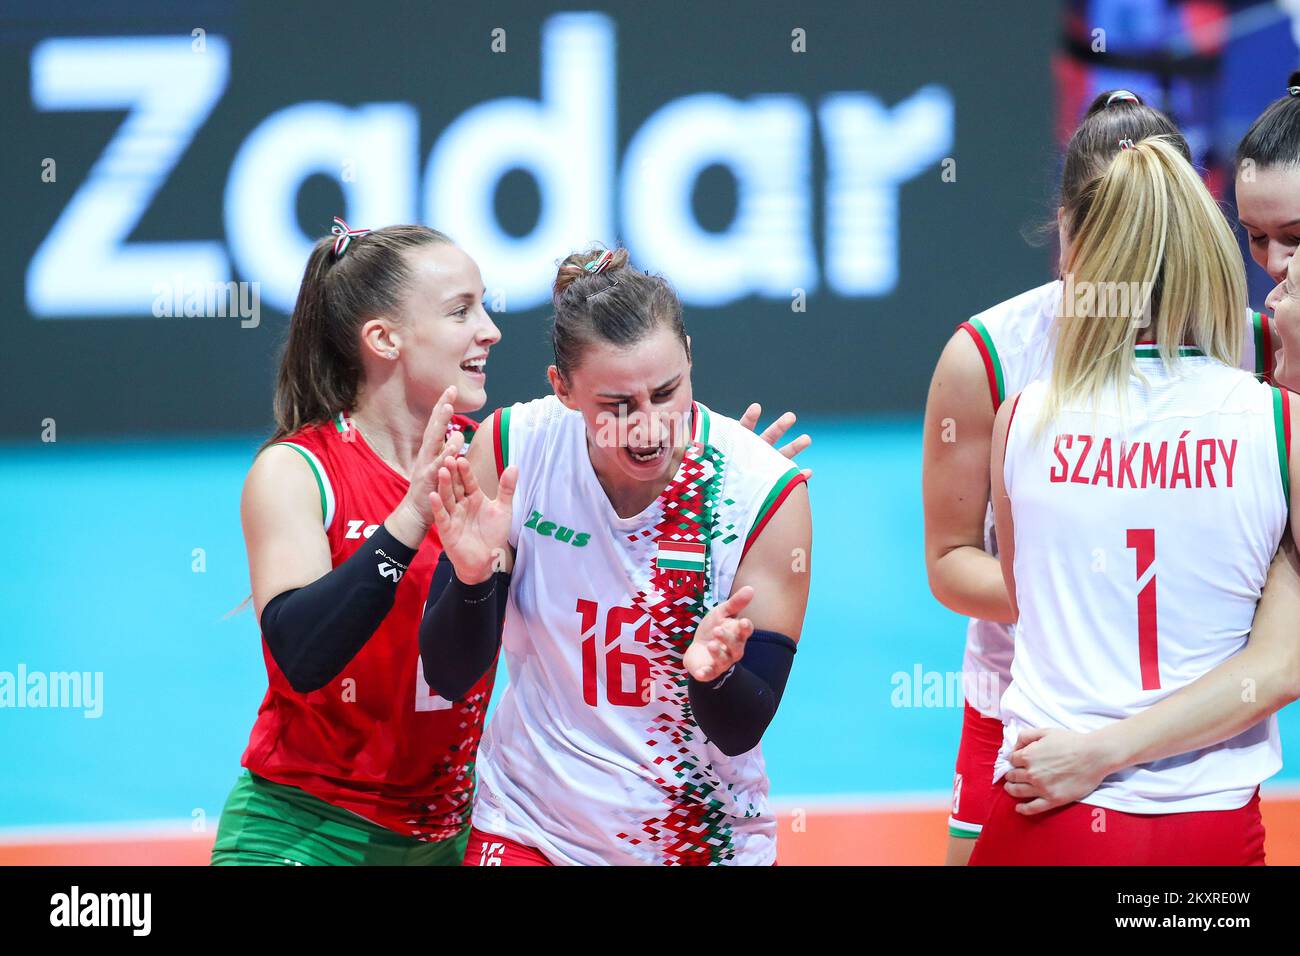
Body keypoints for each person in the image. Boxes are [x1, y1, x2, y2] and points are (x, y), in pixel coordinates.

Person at [212, 222, 810, 866]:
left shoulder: (494, 452)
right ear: (383, 339)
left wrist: (719, 484)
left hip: (445, 830)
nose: (491, 329)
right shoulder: (307, 470)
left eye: (485, 304)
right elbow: (304, 658)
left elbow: (633, 449)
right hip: (312, 824)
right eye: (461, 310)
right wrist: (413, 522)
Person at [419, 247, 812, 865]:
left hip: (698, 844)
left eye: (665, 392)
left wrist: (715, 674)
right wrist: (471, 581)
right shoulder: (515, 449)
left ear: (689, 355)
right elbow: (448, 674)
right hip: (530, 827)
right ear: (563, 389)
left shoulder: (761, 491)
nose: (649, 428)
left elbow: (741, 729)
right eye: (617, 406)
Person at [972, 136, 1299, 865]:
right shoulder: (1281, 424)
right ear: (1207, 258)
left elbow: (1025, 597)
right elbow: (1284, 664)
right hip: (1208, 824)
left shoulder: (1021, 417)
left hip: (1045, 805)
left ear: (1082, 266)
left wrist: (1095, 749)